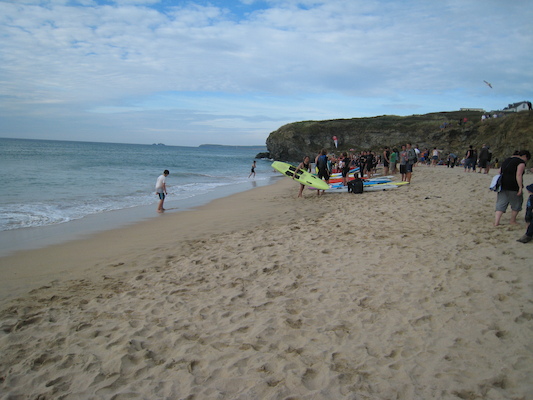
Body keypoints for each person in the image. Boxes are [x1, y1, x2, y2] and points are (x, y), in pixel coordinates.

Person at [494, 150, 531, 226]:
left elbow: (499, 171)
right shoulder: (521, 163)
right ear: (524, 156)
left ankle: (496, 222)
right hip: (513, 185)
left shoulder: (507, 160)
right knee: (516, 203)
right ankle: (512, 220)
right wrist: (520, 187)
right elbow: (518, 175)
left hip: (502, 184)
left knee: (501, 203)